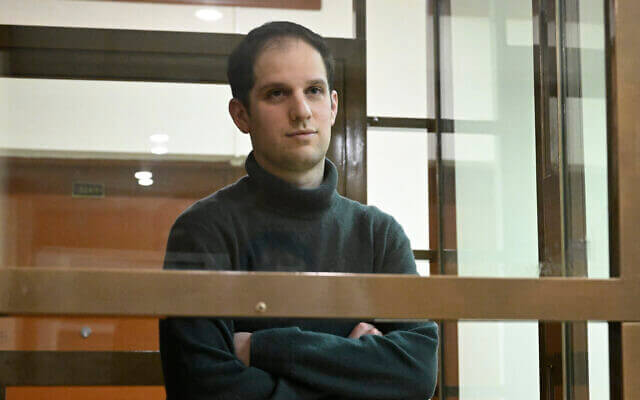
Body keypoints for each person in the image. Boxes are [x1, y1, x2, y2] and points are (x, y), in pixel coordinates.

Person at [159, 21, 438, 400]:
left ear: (334, 105)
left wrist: (262, 349)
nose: (302, 110)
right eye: (277, 94)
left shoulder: (378, 234)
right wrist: (357, 371)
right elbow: (204, 388)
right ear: (241, 115)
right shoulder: (203, 230)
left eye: (314, 90)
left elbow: (416, 374)